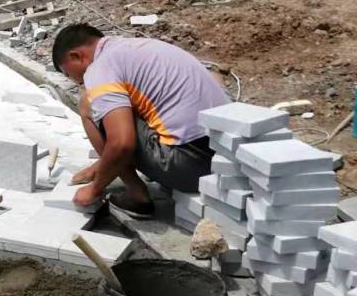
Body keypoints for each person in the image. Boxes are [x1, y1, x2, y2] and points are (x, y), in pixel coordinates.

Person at [51, 23, 229, 218]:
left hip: (192, 167)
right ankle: (110, 166)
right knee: (120, 106)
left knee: (88, 102)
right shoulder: (137, 47)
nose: (76, 80)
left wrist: (95, 188)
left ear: (76, 56)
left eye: (68, 74)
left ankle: (137, 196)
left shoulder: (100, 68)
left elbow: (122, 143)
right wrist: (101, 167)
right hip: (226, 159)